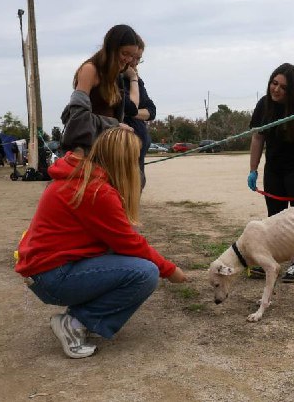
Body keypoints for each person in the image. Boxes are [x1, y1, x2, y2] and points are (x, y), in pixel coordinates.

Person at [14, 128, 187, 359]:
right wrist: (170, 270)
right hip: (53, 277)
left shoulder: (83, 179)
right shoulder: (96, 191)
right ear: (124, 161)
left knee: (131, 262)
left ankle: (79, 316)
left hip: (46, 273)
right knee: (145, 273)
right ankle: (74, 323)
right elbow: (130, 243)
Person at [246, 63, 294, 283]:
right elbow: (257, 138)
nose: (276, 89)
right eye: (274, 83)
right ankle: (271, 262)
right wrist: (253, 170)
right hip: (275, 167)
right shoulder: (264, 105)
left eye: (283, 87)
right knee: (275, 218)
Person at [60, 24, 137, 156]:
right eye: (124, 53)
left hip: (107, 152)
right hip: (86, 155)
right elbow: (78, 119)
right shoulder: (90, 70)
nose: (128, 60)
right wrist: (116, 126)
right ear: (111, 49)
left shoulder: (117, 76)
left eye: (132, 56)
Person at [122, 35, 157, 191]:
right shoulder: (116, 80)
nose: (135, 63)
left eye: (139, 58)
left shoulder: (136, 79)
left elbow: (151, 110)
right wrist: (133, 79)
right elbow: (130, 106)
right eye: (132, 57)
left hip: (139, 160)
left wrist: (132, 113)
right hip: (123, 155)